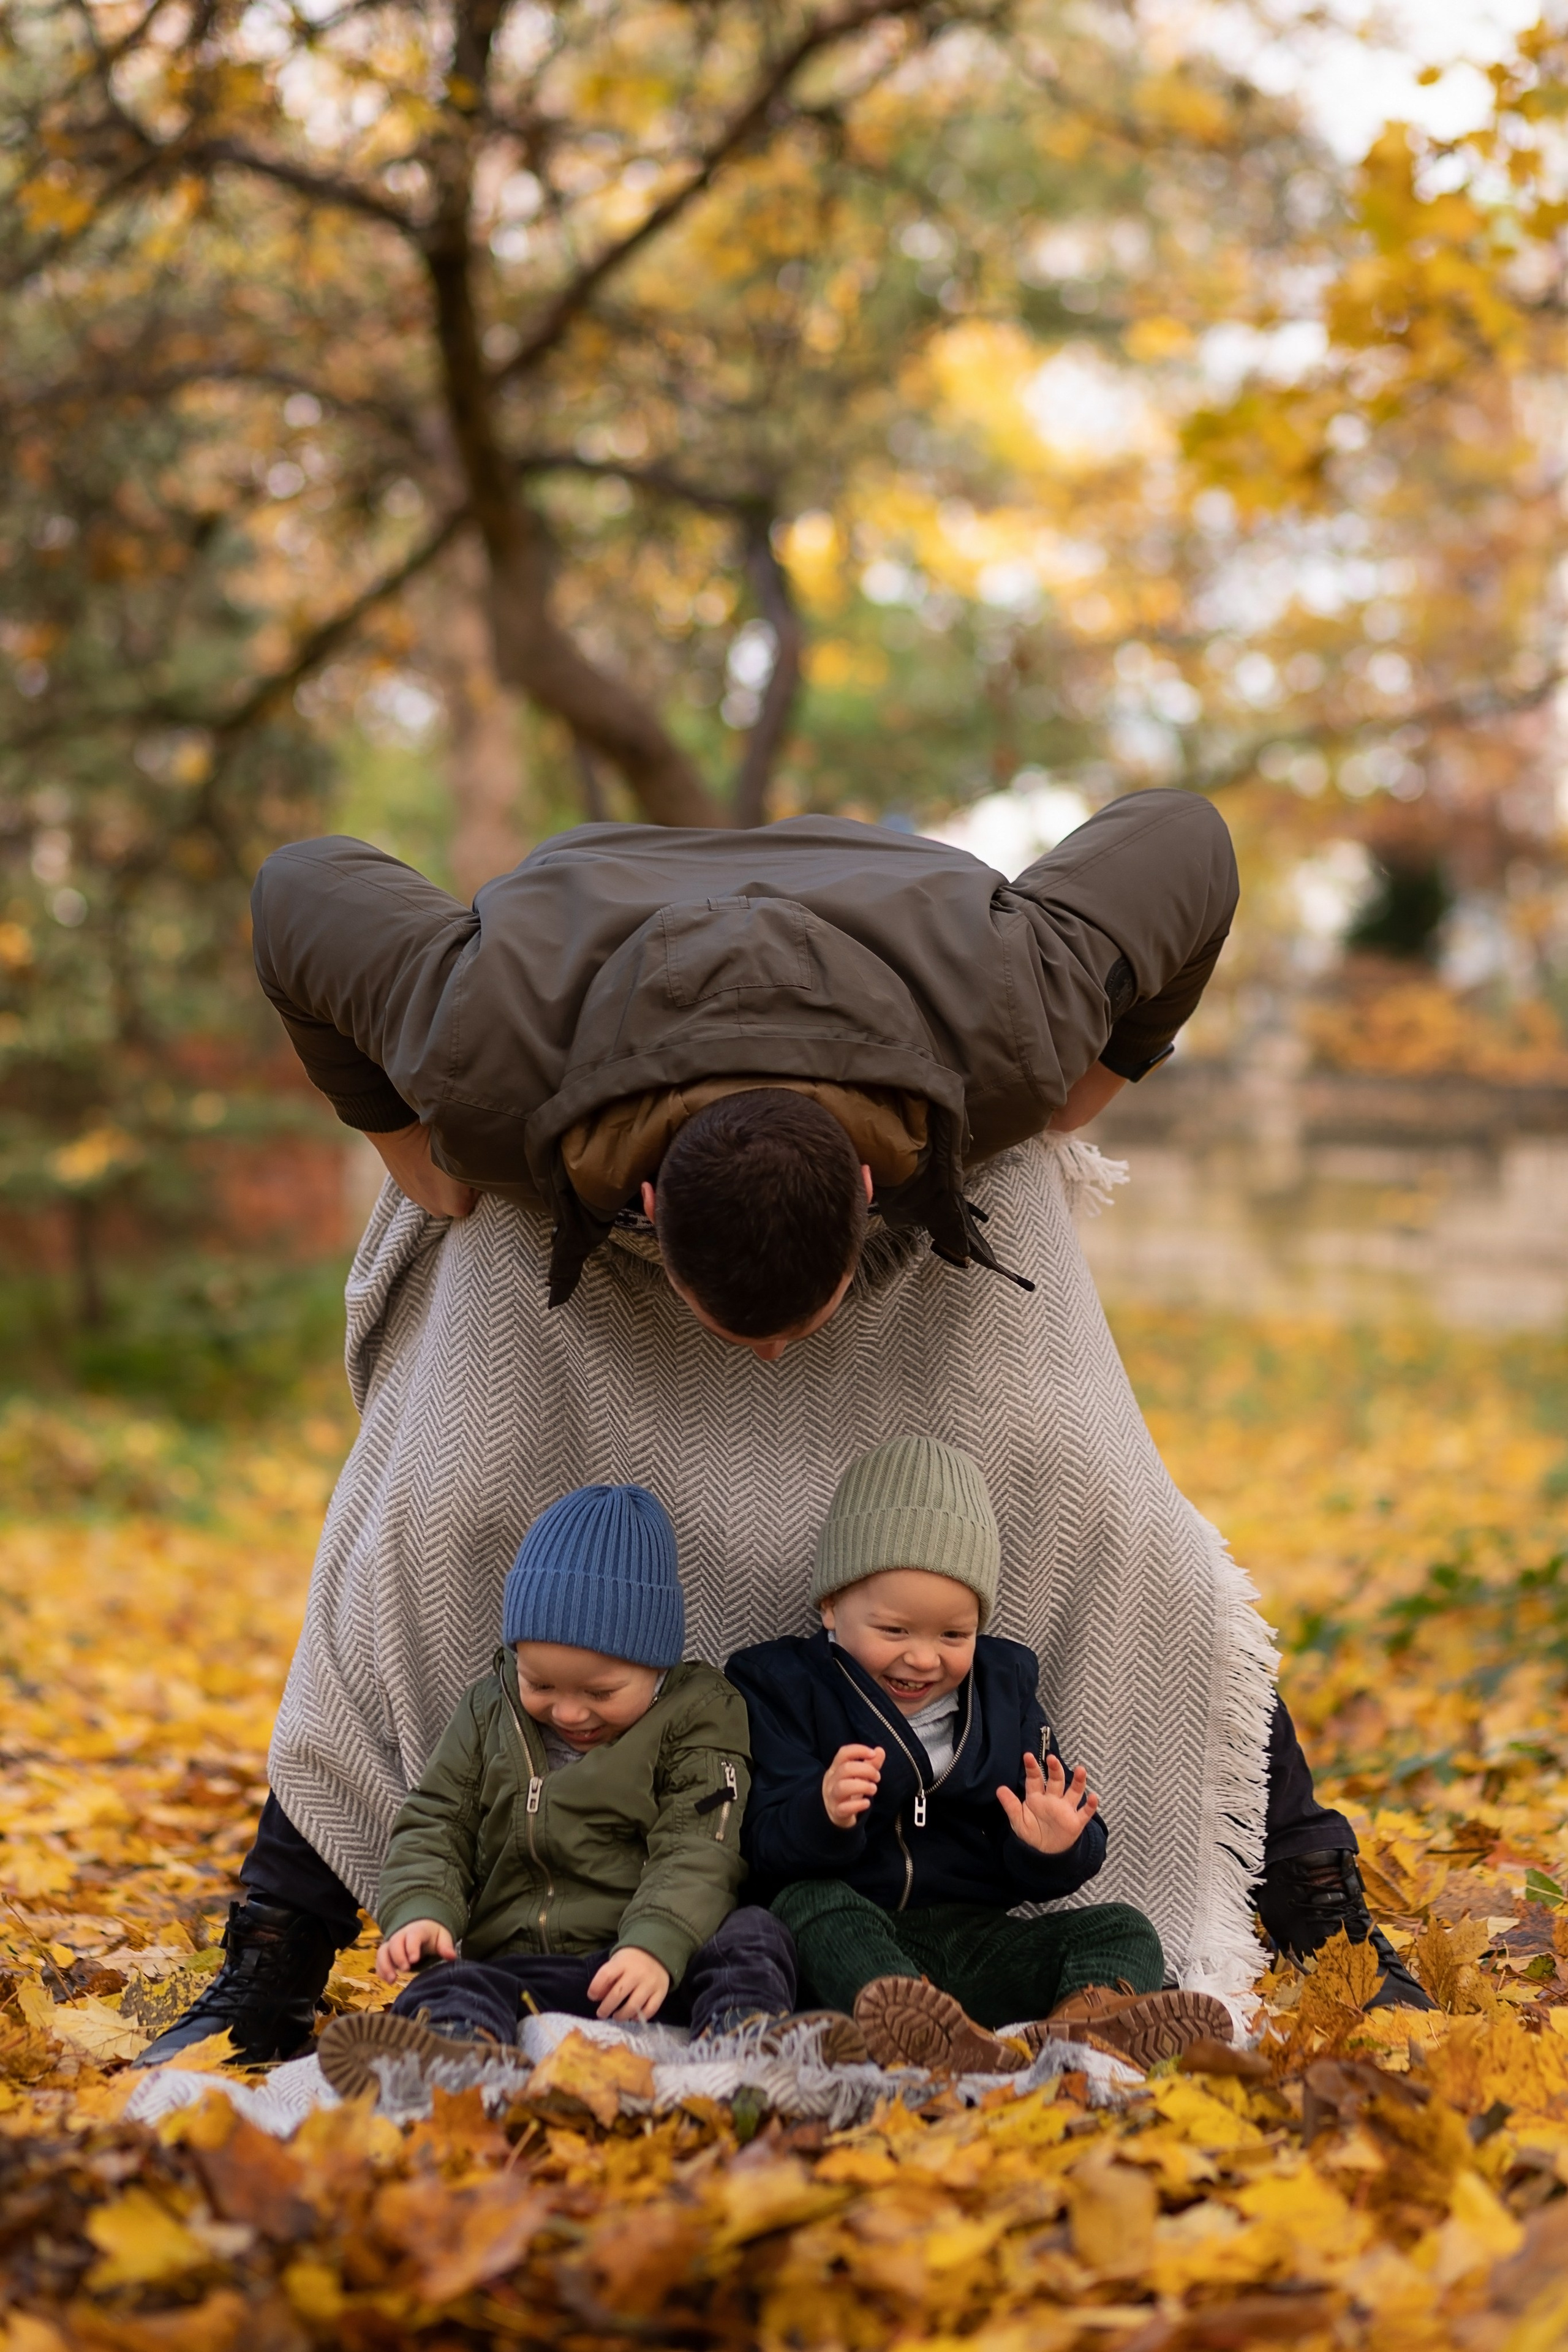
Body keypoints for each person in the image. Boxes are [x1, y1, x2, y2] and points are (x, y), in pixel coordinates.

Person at [138, 790, 1428, 2068]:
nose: (763, 1365)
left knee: (1113, 1509)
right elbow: (301, 881)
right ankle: (273, 1955)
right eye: (738, 1330)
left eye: (790, 1328)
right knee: (427, 1517)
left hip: (921, 1075)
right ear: (647, 1202)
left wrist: (1087, 1079)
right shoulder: (482, 1052)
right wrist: (401, 1138)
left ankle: (1321, 1914)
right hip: (569, 1116)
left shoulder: (1011, 1016)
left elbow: (1183, 839)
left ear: (866, 1199)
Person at [727, 1436, 1234, 2075]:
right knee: (804, 1906)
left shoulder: (1003, 1688)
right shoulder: (781, 1684)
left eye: (953, 1635)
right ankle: (912, 2023)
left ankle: (1083, 2027)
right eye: (894, 1631)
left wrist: (1050, 1846)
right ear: (831, 1606)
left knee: (1121, 1926)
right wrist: (820, 1812)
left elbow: (1041, 1841)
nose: (922, 1658)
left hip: (976, 1939)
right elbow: (759, 1842)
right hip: (858, 1931)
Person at [315, 1482, 799, 2099]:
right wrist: (422, 1913)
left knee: (754, 1933)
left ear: (657, 1665)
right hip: (525, 1968)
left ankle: (746, 2050)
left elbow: (699, 1843)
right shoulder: (489, 1711)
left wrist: (656, 1944)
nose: (569, 1713)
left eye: (600, 1693)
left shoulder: (698, 1713)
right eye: (539, 1683)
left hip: (655, 1965)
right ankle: (461, 2062)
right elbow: (437, 1822)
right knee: (443, 1982)